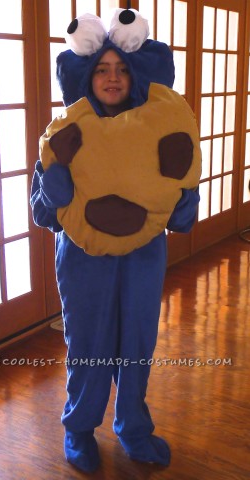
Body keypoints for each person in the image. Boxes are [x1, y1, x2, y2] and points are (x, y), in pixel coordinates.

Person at [30, 9, 200, 474]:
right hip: (84, 258)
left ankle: (133, 427)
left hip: (144, 254)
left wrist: (184, 195)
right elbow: (43, 213)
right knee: (88, 344)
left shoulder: (162, 127)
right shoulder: (68, 129)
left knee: (137, 344)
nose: (112, 77)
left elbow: (182, 213)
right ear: (87, 75)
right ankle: (79, 428)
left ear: (136, 74)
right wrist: (53, 186)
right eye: (102, 69)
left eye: (121, 68)